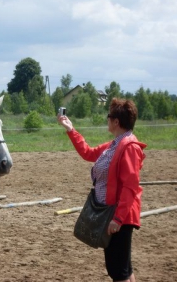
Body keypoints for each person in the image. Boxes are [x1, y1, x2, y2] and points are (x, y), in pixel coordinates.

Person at [58, 98, 146, 282]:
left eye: (109, 116)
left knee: (118, 271)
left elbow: (131, 186)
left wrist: (118, 218)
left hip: (118, 216)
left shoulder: (128, 147)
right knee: (123, 270)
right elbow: (88, 153)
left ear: (116, 121)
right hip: (112, 213)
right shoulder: (115, 145)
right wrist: (70, 129)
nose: (107, 120)